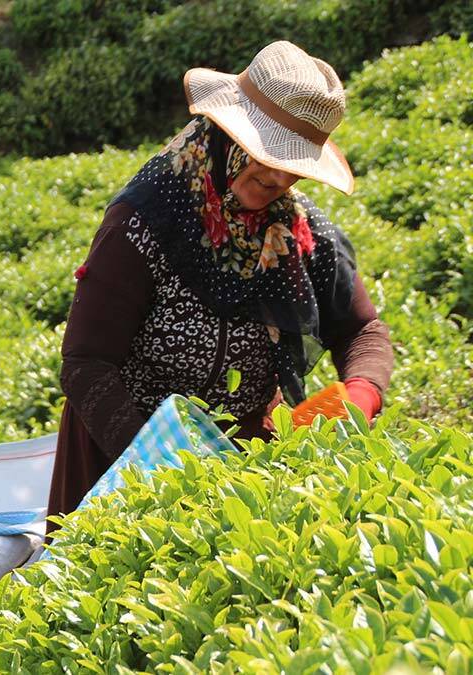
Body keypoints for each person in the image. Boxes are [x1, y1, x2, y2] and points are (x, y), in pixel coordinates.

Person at [46, 41, 394, 529]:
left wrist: (360, 393)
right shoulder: (146, 219)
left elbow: (362, 330)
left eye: (292, 164)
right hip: (125, 462)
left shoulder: (294, 228)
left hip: (244, 468)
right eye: (265, 153)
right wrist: (160, 467)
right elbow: (86, 364)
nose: (278, 176)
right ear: (227, 133)